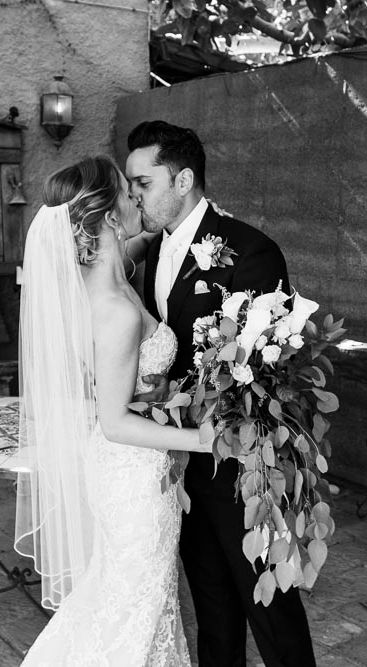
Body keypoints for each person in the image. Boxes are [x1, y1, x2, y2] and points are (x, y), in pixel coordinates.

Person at [125, 120, 317, 667]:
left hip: (239, 464)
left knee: (271, 607)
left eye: (144, 183)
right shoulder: (152, 252)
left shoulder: (251, 252)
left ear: (183, 180)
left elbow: (271, 364)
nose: (136, 194)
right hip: (180, 461)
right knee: (212, 608)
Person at [14, 156, 212, 665]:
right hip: (131, 475)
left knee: (127, 597)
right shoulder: (117, 309)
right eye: (128, 191)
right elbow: (116, 421)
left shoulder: (99, 278)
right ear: (105, 215)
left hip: (127, 469)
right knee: (133, 605)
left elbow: (134, 245)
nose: (136, 198)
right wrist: (202, 438)